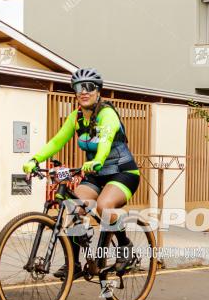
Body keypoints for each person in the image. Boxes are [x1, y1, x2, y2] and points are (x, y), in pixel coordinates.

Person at [23, 67, 140, 278]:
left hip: (123, 172)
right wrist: (35, 160)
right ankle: (73, 264)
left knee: (104, 206)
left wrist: (97, 160)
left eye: (89, 87)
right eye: (78, 87)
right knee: (74, 209)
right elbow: (57, 141)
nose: (84, 91)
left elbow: (104, 142)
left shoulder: (107, 114)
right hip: (95, 175)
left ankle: (126, 247)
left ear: (98, 91)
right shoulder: (76, 117)